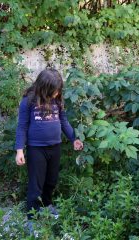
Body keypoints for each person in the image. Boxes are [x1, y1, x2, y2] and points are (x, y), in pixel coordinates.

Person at [15, 68, 83, 219]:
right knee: (36, 183)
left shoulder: (57, 100)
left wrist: (74, 138)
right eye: (54, 90)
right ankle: (32, 215)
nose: (57, 93)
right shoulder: (28, 101)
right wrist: (19, 149)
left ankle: (47, 205)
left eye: (58, 90)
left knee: (51, 180)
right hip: (36, 149)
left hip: (55, 146)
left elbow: (63, 121)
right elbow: (22, 126)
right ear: (44, 88)